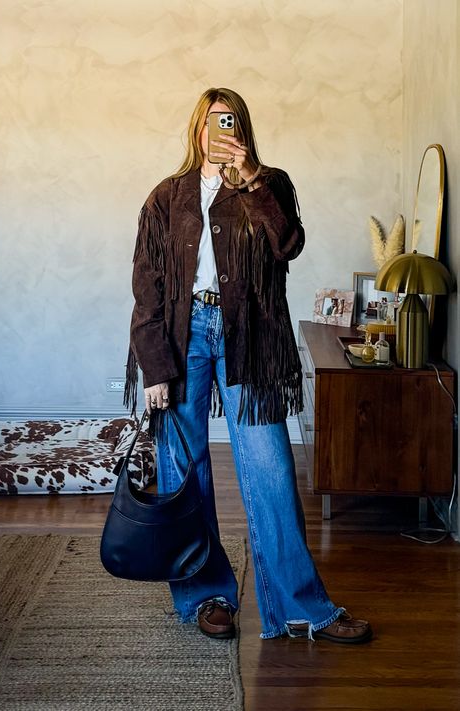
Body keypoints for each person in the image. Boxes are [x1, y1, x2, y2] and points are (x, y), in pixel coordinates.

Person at [124, 87, 372, 644]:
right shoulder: (168, 197)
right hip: (182, 341)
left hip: (251, 341)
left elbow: (289, 244)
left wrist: (253, 178)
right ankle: (205, 595)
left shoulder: (271, 183)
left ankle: (304, 607)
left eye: (229, 121)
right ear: (196, 129)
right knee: (183, 474)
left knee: (272, 471)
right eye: (212, 122)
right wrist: (154, 366)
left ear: (243, 127)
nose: (221, 130)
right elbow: (148, 285)